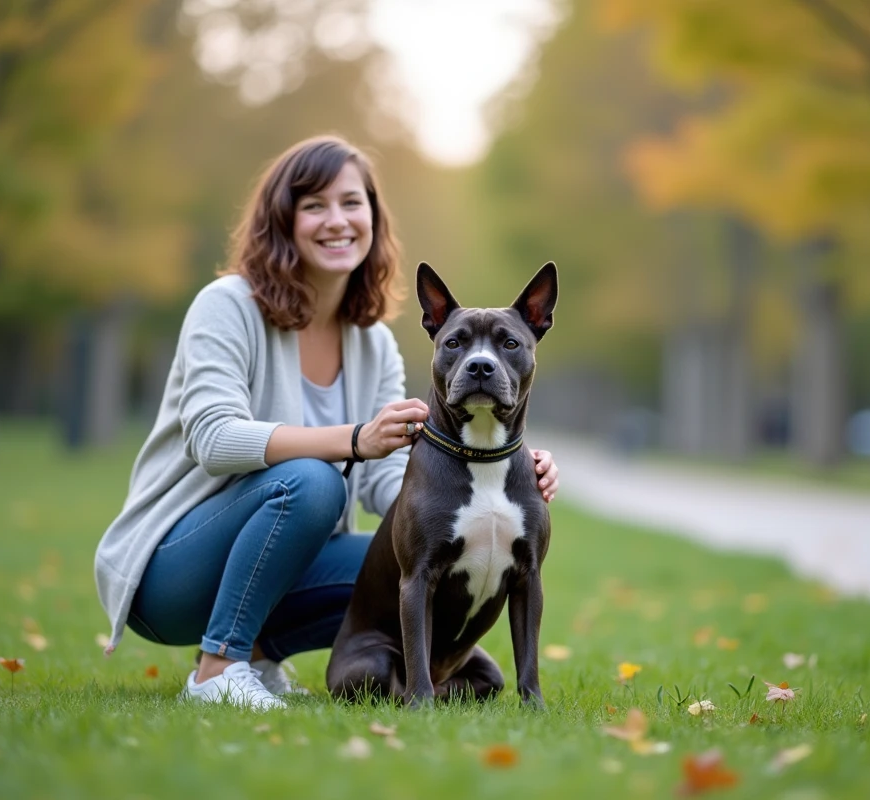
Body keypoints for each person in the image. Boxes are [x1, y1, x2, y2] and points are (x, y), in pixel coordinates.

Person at [93, 135, 560, 711]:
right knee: (312, 481)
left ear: (373, 217)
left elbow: (393, 486)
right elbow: (213, 439)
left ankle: (259, 655)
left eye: (350, 202)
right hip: (170, 571)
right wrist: (354, 440)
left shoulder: (373, 344)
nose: (335, 220)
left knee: (395, 565)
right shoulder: (227, 305)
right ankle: (217, 667)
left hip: (280, 561)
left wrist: (492, 486)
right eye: (313, 205)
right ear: (280, 221)